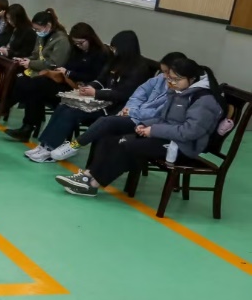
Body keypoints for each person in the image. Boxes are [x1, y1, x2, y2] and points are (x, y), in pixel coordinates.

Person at [55, 58, 223, 198]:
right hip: (164, 136)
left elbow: (190, 132)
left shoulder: (204, 100)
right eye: (170, 78)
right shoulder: (178, 91)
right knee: (110, 139)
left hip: (182, 146)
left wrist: (153, 130)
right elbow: (162, 118)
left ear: (192, 79)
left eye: (176, 79)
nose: (171, 83)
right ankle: (88, 176)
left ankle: (92, 184)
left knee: (126, 144)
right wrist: (145, 125)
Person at [25, 31, 154, 163]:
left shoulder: (139, 69)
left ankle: (50, 149)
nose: (113, 51)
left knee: (71, 112)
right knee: (63, 106)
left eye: (115, 48)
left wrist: (96, 93)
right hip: (100, 100)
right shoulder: (115, 61)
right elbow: (101, 79)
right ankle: (45, 145)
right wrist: (89, 87)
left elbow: (124, 94)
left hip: (114, 107)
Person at [45, 52, 187, 163]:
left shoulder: (179, 91)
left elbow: (159, 113)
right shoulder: (159, 79)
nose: (165, 76)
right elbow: (139, 93)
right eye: (163, 72)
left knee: (106, 122)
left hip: (145, 122)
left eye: (168, 73)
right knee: (101, 125)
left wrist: (133, 112)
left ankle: (74, 146)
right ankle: (86, 170)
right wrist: (130, 108)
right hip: (132, 113)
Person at [6, 22, 106, 142]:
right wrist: (64, 72)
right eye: (76, 43)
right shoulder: (76, 50)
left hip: (80, 88)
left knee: (36, 86)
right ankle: (28, 125)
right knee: (33, 84)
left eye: (81, 43)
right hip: (66, 82)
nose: (78, 46)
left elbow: (94, 76)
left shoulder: (100, 54)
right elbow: (69, 65)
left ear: (90, 38)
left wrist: (69, 73)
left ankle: (27, 125)